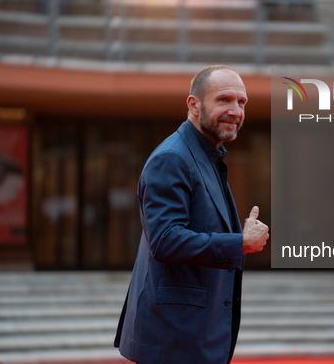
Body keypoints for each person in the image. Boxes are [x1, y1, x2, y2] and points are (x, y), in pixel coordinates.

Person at [114, 65, 270, 364]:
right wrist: (239, 243)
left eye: (242, 102)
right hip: (174, 340)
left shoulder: (207, 157)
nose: (236, 110)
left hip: (191, 337)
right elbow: (165, 240)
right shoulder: (172, 158)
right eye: (224, 99)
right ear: (193, 105)